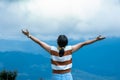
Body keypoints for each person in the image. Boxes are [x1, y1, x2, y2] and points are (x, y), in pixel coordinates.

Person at [22, 29, 105, 80]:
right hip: (68, 76)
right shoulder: (70, 49)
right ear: (66, 43)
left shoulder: (52, 50)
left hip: (56, 76)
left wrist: (29, 35)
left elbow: (39, 42)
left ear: (57, 42)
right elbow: (83, 43)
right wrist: (96, 39)